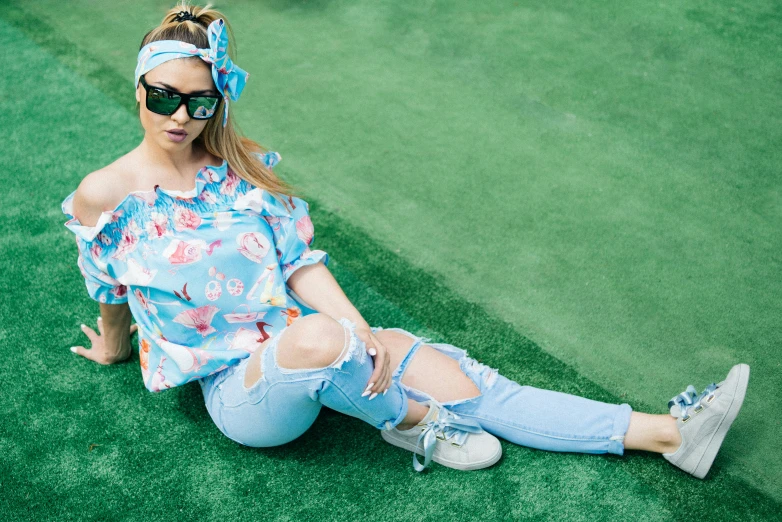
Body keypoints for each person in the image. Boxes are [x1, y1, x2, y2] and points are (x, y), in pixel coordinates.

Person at [61, 2, 750, 476]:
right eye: (164, 97)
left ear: (218, 104)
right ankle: (415, 422)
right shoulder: (106, 191)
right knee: (321, 341)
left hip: (306, 339)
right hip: (237, 391)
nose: (180, 116)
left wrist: (360, 329)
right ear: (139, 90)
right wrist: (115, 345)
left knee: (469, 383)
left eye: (200, 102)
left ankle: (665, 435)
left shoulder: (238, 170)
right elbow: (110, 284)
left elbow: (298, 262)